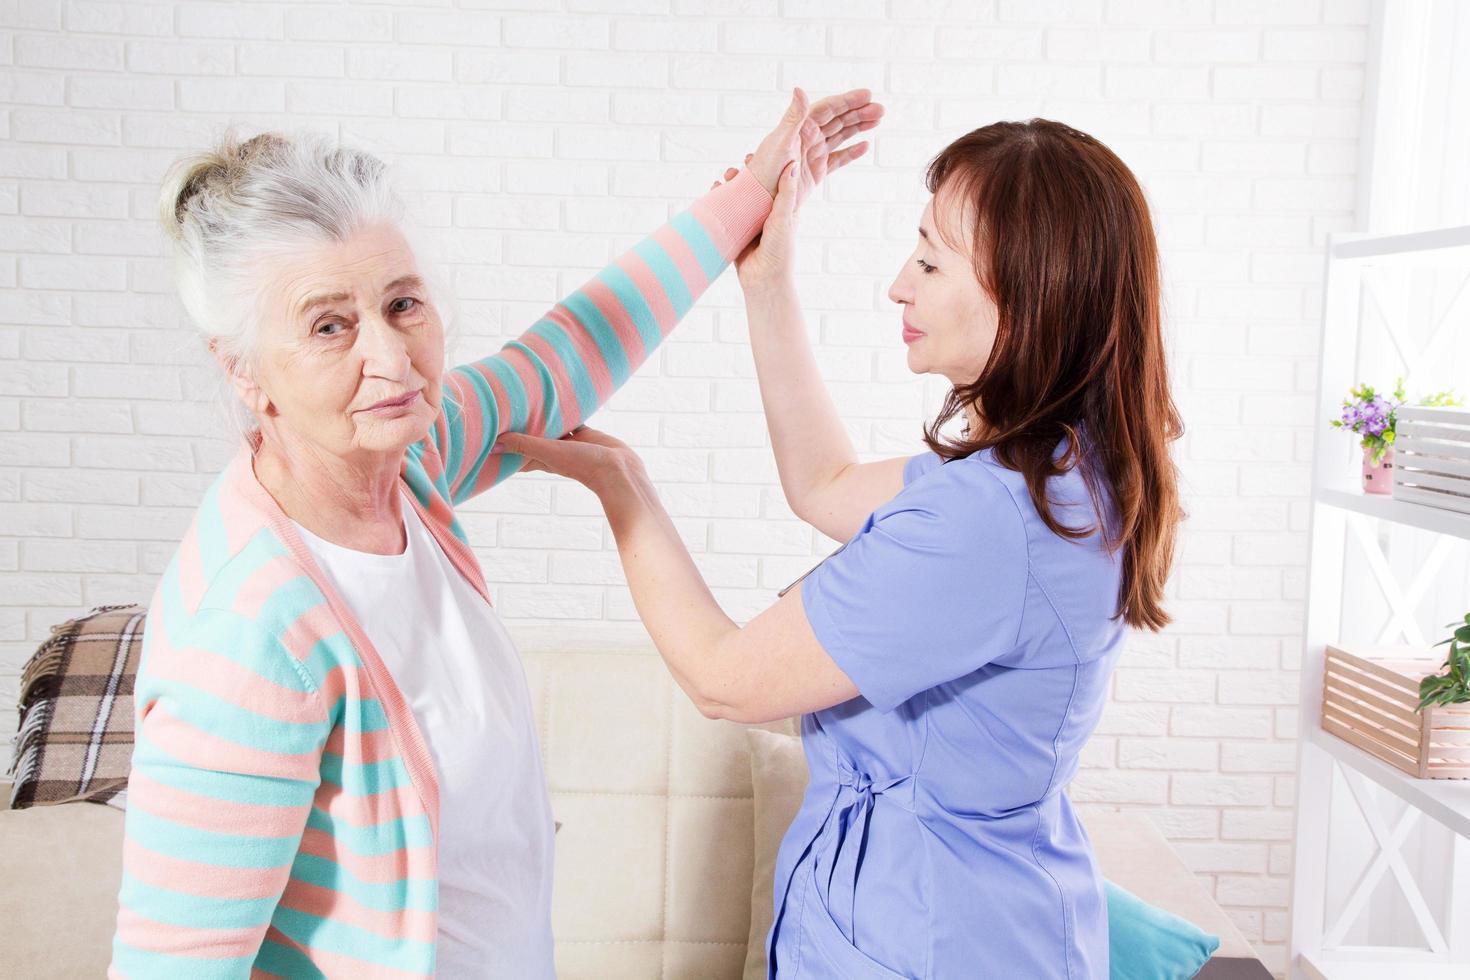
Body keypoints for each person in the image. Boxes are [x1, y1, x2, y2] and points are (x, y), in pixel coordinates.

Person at [110, 89, 882, 979]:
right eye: (329, 327)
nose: (393, 360)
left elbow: (564, 355)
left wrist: (754, 191)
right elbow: (174, 963)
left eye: (403, 304)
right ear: (243, 370)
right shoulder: (250, 634)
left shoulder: (408, 465)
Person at [498, 116, 1184, 979]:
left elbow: (727, 679)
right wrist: (768, 281)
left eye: (932, 262)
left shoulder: (988, 526)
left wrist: (622, 489)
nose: (901, 285)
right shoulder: (1053, 473)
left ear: (1030, 296)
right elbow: (823, 483)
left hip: (937, 945)